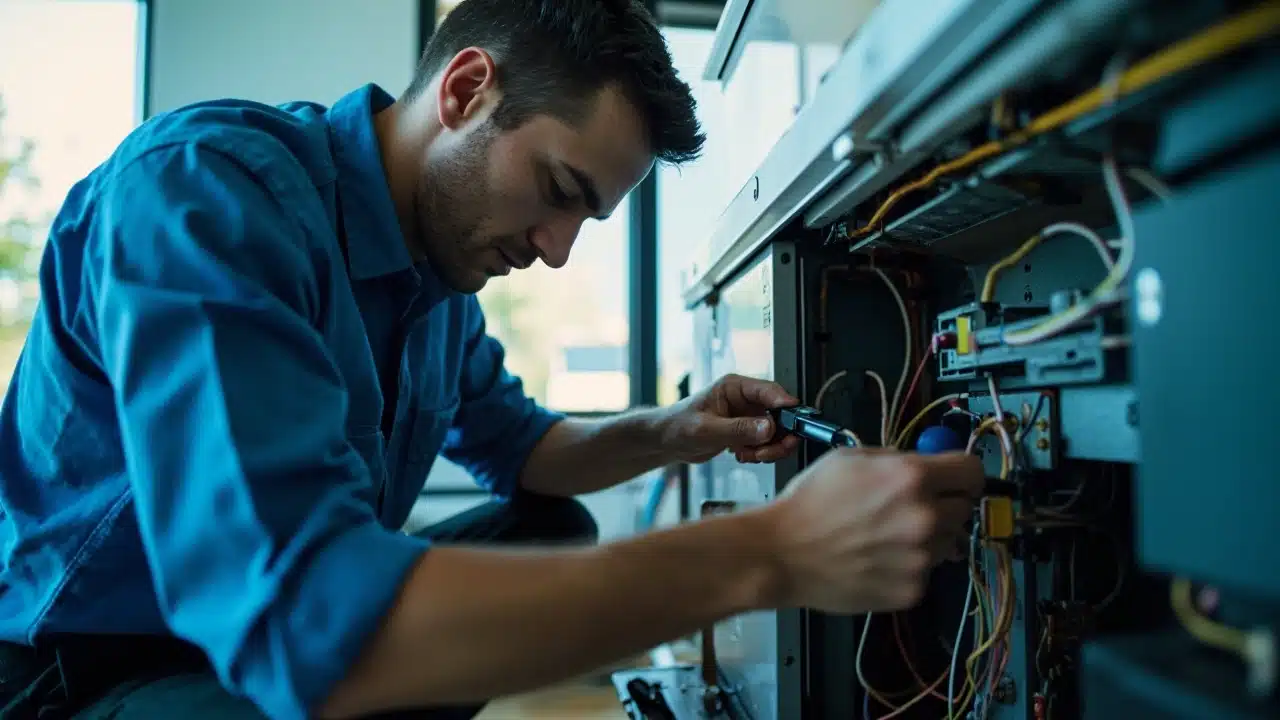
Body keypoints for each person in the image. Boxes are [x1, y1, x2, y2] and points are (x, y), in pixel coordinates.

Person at [0, 0, 982, 718]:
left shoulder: (432, 280)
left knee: (549, 527)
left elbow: (527, 453)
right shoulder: (210, 196)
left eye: (584, 219)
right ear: (467, 90)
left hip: (267, 634)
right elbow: (294, 609)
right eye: (557, 189)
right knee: (319, 646)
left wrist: (680, 430)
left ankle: (372, 667)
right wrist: (774, 553)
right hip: (88, 671)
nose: (555, 249)